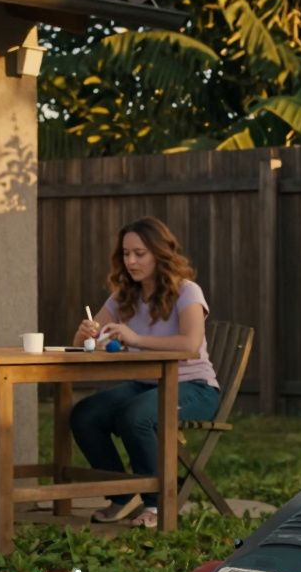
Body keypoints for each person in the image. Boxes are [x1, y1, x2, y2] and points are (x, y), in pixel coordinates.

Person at [70, 216, 221, 528]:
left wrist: (136, 339)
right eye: (126, 254)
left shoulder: (187, 292)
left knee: (137, 416)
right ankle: (123, 496)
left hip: (194, 387)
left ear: (159, 254)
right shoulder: (124, 295)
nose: (131, 261)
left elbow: (190, 345)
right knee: (85, 414)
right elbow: (87, 344)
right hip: (145, 384)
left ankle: (157, 503)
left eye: (139, 253)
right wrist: (85, 334)